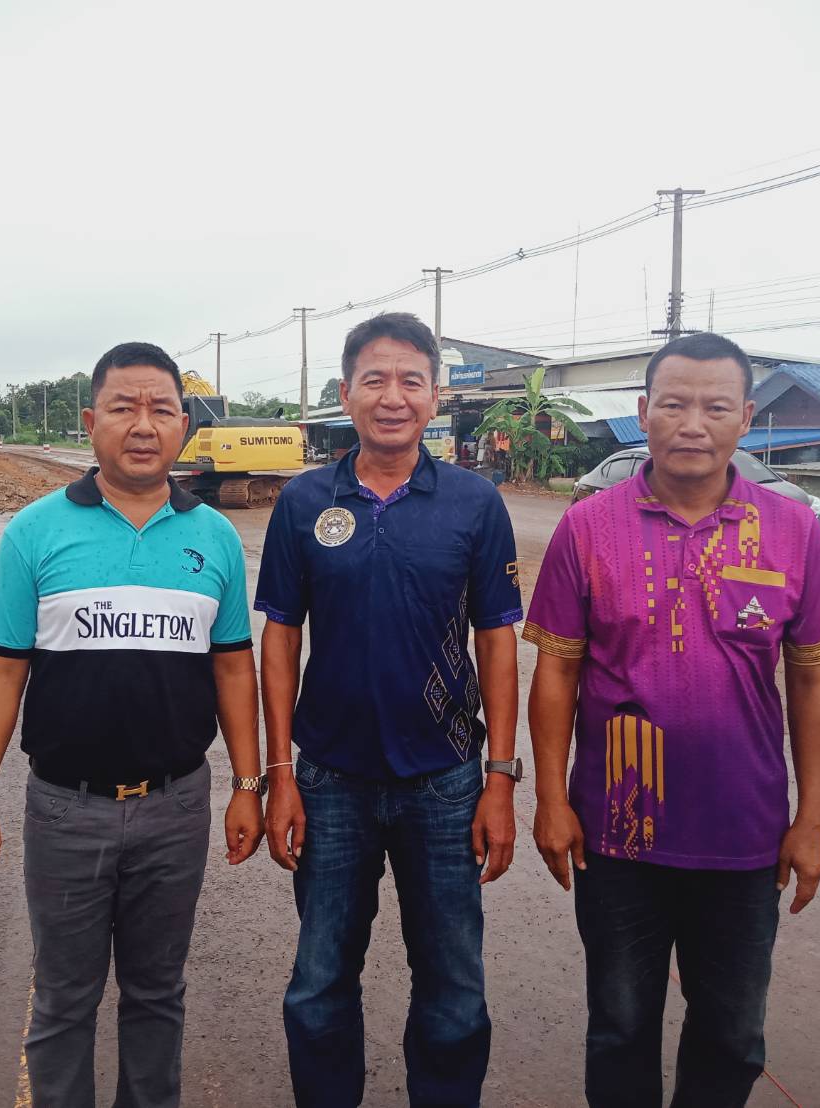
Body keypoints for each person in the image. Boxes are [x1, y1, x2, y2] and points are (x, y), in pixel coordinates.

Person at [524, 332, 820, 1107]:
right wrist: (548, 799)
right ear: (644, 413)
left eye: (714, 407)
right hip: (617, 829)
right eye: (673, 405)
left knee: (732, 1034)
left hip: (744, 833)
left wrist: (811, 820)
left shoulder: (791, 530)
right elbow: (557, 671)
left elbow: (812, 680)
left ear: (745, 418)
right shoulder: (587, 526)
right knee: (619, 1025)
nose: (692, 424)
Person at [0, 341, 264, 1108]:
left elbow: (232, 669)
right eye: (124, 408)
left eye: (161, 409)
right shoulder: (34, 533)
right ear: (92, 423)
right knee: (64, 999)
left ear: (184, 425)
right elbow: (0, 670)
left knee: (157, 993)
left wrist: (247, 784)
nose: (143, 425)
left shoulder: (214, 538)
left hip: (175, 808)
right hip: (66, 810)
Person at [256, 311, 523, 1107]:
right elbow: (279, 638)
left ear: (435, 397)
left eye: (411, 380)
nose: (392, 396)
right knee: (319, 984)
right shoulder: (304, 502)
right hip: (329, 780)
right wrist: (280, 775)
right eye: (374, 379)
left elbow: (496, 641)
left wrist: (500, 779)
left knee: (452, 991)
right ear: (345, 394)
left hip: (445, 781)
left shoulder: (474, 503)